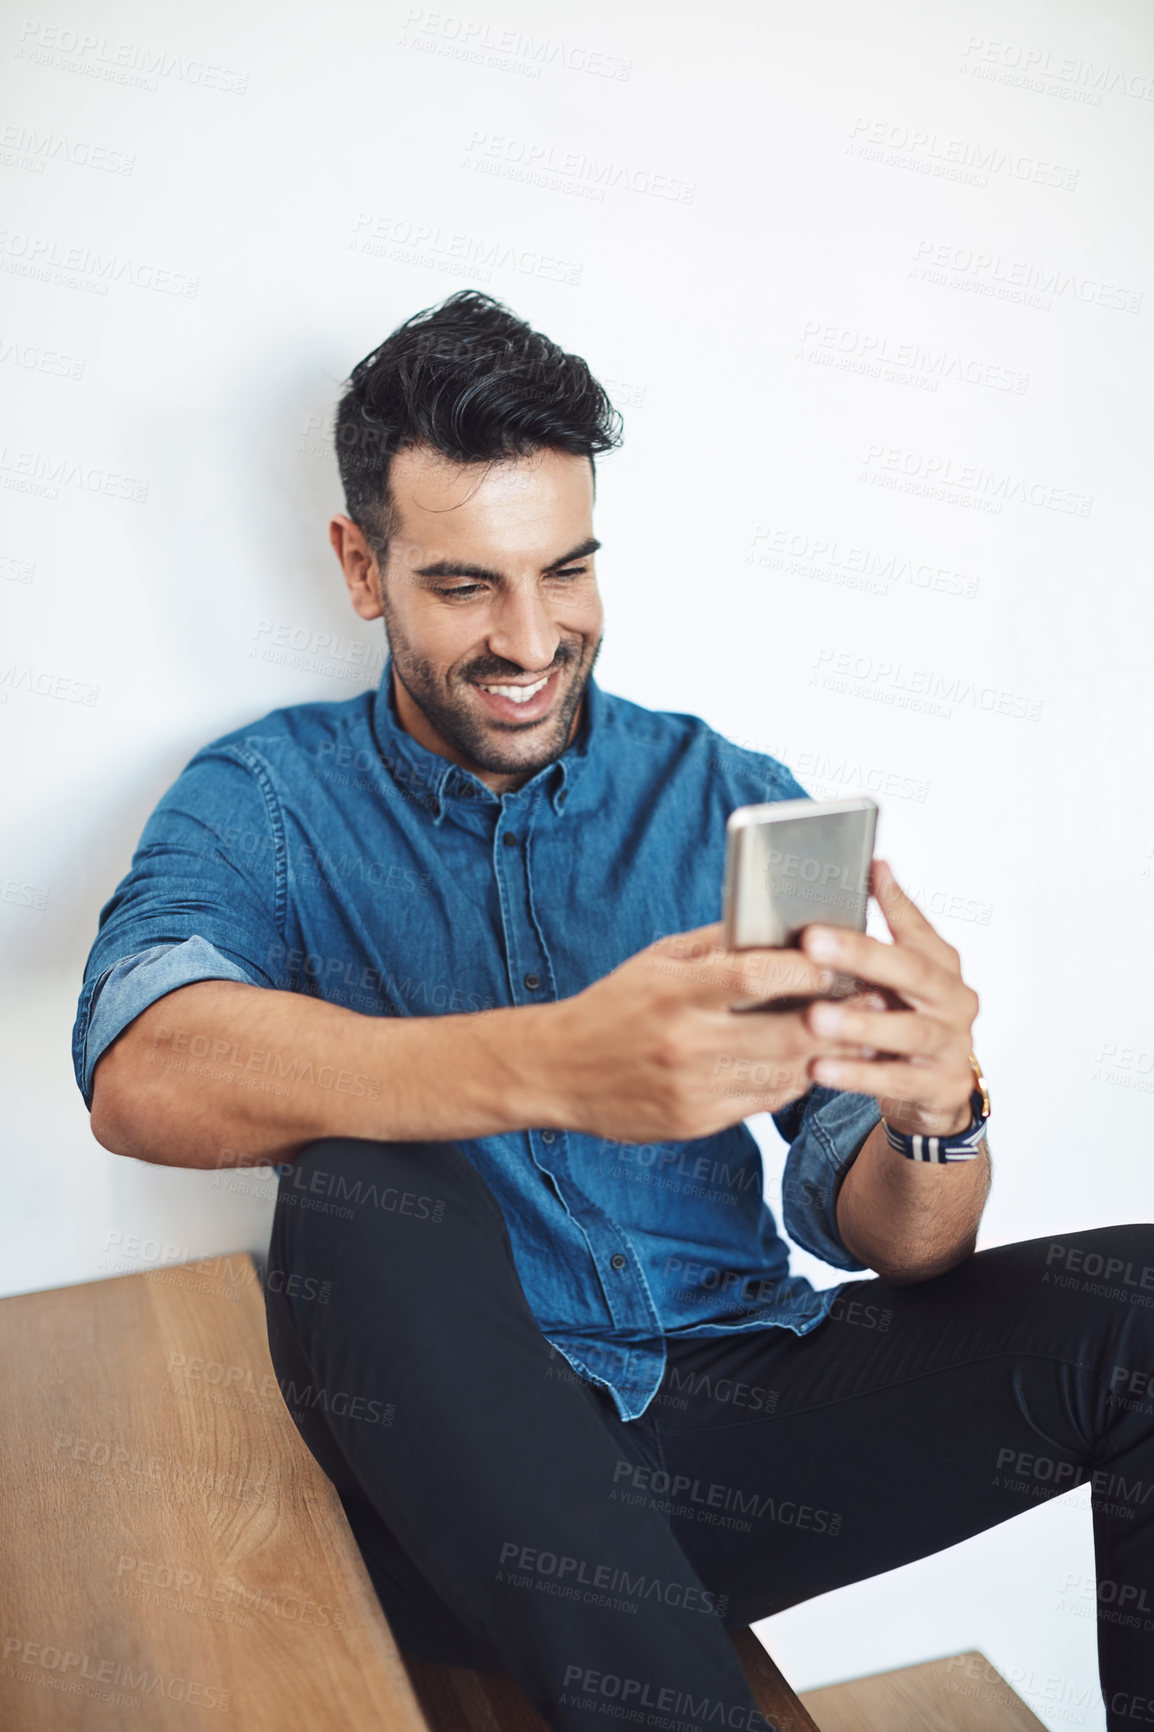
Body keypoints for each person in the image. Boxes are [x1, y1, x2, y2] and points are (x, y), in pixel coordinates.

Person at [74, 291, 1153, 1732]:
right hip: (462, 1490)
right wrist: (547, 1064)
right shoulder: (264, 801)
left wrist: (937, 1110)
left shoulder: (724, 795)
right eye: (464, 586)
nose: (532, 639)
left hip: (742, 1432)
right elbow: (138, 1071)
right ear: (360, 564)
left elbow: (894, 1240)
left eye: (565, 571)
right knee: (359, 1175)